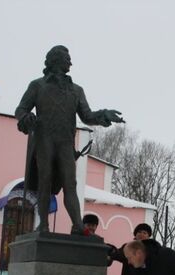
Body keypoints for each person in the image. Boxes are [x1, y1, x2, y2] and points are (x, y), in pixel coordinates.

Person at [15, 45, 124, 234]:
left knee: (70, 183)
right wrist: (26, 118)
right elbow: (21, 109)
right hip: (44, 140)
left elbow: (87, 116)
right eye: (67, 59)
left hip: (65, 142)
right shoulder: (38, 85)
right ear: (55, 60)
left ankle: (77, 225)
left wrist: (104, 114)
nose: (70, 63)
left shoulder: (76, 90)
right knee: (45, 181)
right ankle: (44, 225)